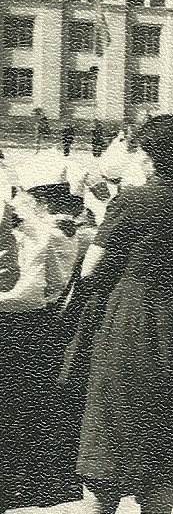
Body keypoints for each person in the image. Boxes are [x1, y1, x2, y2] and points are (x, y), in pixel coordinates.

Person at [76, 115, 173, 514]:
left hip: (132, 323)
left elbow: (91, 267)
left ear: (150, 157)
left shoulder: (132, 201)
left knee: (108, 447)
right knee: (164, 454)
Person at [0, 164, 86, 512]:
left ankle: (20, 481)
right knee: (33, 404)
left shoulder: (42, 234)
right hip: (48, 326)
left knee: (16, 406)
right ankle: (36, 475)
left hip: (25, 326)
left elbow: (29, 294)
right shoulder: (66, 229)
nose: (17, 203)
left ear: (41, 201)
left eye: (23, 197)